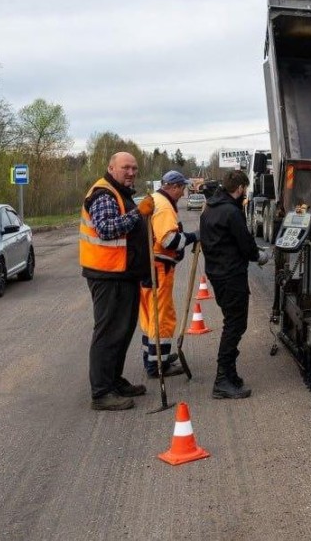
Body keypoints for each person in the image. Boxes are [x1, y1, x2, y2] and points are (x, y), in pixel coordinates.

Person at [79, 152, 154, 411]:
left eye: (134, 168)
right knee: (109, 333)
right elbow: (107, 229)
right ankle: (101, 392)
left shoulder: (121, 193)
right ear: (111, 168)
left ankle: (113, 380)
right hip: (108, 275)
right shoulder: (104, 194)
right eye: (126, 168)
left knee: (122, 332)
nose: (131, 172)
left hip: (123, 274)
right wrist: (138, 214)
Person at [199, 169, 270, 399]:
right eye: (244, 189)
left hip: (217, 273)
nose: (245, 193)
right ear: (239, 188)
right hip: (231, 276)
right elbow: (246, 245)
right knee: (235, 325)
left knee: (233, 321)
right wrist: (259, 256)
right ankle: (222, 380)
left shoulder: (210, 207)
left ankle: (230, 374)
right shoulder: (231, 212)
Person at [139, 170, 198, 378]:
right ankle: (158, 366)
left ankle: (153, 358)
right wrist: (192, 236)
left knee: (149, 316)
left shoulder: (155, 199)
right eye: (182, 188)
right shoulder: (164, 207)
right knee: (162, 316)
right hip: (159, 268)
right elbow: (169, 241)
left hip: (148, 266)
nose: (183, 192)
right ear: (172, 187)